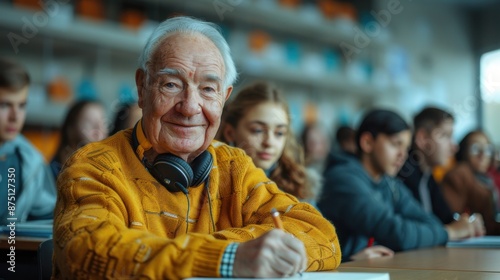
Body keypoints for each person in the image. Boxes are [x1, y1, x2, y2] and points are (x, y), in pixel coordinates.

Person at [52, 17, 341, 279]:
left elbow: (322, 236)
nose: (190, 108)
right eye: (171, 85)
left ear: (224, 98)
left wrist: (235, 255)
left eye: (207, 89)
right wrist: (228, 258)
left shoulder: (233, 166)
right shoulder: (94, 164)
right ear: (142, 88)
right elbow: (87, 252)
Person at [318, 109, 484, 262]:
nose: (402, 155)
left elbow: (429, 222)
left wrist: (444, 231)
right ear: (367, 142)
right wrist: (452, 232)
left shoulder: (388, 183)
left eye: (405, 148)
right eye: (396, 144)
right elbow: (396, 232)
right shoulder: (342, 180)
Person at [218, 82, 322, 206]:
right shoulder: (209, 185)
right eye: (258, 130)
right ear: (230, 133)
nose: (269, 142)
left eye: (279, 133)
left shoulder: (300, 189)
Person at [0, 58, 56, 224]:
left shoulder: (31, 161)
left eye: (22, 105)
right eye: (5, 105)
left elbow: (50, 222)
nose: (15, 116)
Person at [397, 107, 457, 224]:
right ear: (423, 139)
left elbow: (446, 219)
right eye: (445, 136)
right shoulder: (403, 176)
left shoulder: (428, 177)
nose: (454, 146)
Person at [442, 130, 500, 235]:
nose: (482, 155)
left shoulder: (487, 178)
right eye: (475, 149)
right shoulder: (460, 174)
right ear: (464, 152)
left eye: (487, 149)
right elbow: (451, 218)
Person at [49, 100, 108, 179]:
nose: (99, 129)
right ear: (70, 130)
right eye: (89, 122)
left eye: (103, 123)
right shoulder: (50, 173)